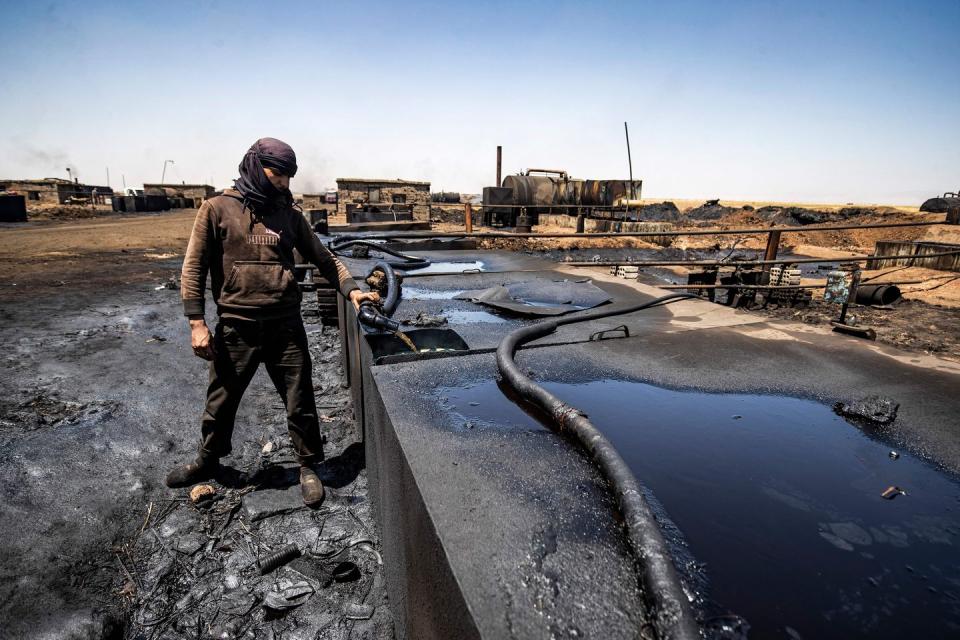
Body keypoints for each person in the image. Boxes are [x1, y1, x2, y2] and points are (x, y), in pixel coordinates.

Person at [165, 137, 377, 506]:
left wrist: (353, 291)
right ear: (254, 165)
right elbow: (194, 267)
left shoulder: (289, 215)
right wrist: (195, 322)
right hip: (236, 328)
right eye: (277, 174)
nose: (283, 183)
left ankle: (309, 466)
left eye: (288, 177)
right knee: (221, 401)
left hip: (285, 327)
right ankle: (208, 460)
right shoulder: (216, 209)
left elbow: (325, 259)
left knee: (300, 401)